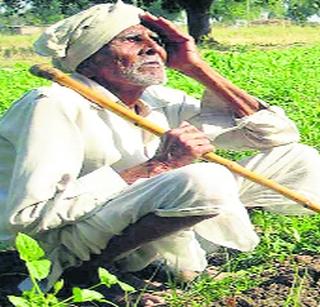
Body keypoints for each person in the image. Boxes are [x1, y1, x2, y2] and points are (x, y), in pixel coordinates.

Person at [0, 0, 319, 293]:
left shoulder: (158, 100)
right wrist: (158, 167)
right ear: (89, 60)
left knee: (299, 160)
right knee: (206, 179)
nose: (152, 47)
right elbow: (27, 218)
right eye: (132, 39)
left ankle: (171, 252)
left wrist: (196, 68)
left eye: (156, 40)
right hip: (62, 240)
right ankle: (85, 272)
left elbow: (276, 135)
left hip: (124, 217)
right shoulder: (52, 105)